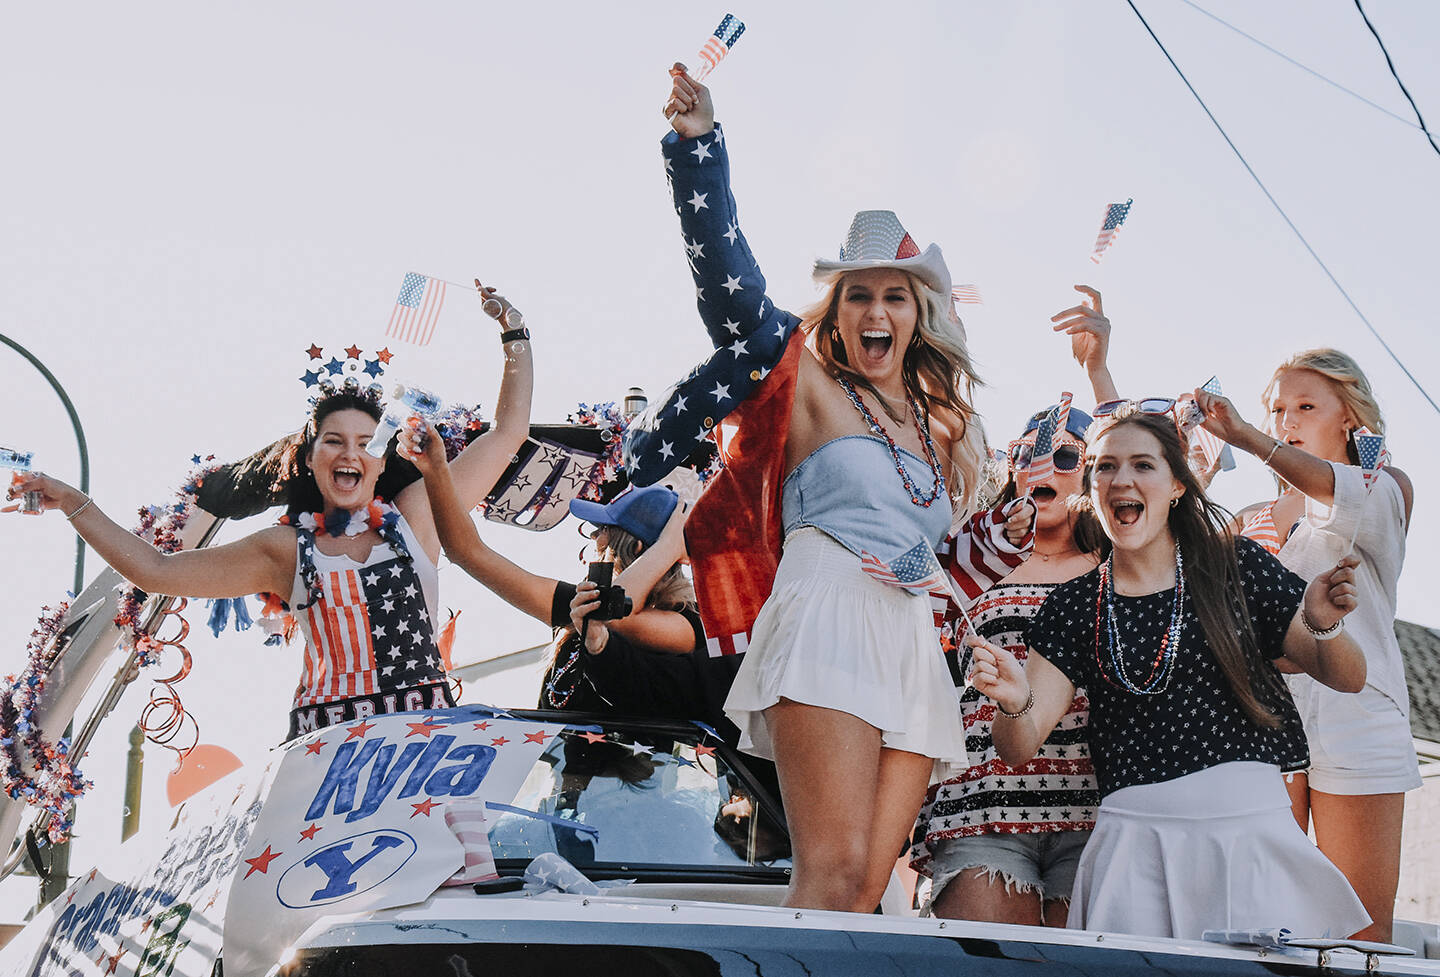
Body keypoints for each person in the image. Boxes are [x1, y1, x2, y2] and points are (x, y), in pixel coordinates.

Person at [623, 65, 1034, 914]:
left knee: (872, 887)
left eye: (894, 295)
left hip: (911, 637)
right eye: (858, 296)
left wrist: (1004, 531)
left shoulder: (940, 427)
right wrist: (699, 150)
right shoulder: (806, 380)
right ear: (838, 310)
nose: (876, 311)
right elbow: (730, 290)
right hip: (827, 614)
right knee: (832, 871)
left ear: (919, 313)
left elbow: (939, 559)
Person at [6, 282, 532, 740]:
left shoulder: (417, 517)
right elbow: (156, 570)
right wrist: (75, 504)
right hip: (328, 752)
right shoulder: (284, 550)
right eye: (333, 441)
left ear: (380, 460)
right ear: (310, 458)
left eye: (365, 443)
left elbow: (507, 433)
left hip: (425, 742)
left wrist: (515, 333)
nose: (350, 453)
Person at [968, 404, 1371, 940]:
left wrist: (1322, 625)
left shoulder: (1237, 567)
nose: (1121, 479)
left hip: (1248, 835)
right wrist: (1014, 700)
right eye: (1106, 466)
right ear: (1090, 486)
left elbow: (1348, 676)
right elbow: (1019, 743)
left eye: (1142, 465)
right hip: (1134, 851)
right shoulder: (1072, 605)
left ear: (1178, 484)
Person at [1193, 349, 1417, 942]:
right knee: (1265, 925)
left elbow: (1335, 491)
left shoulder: (1384, 486)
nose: (1285, 419)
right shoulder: (1247, 517)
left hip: (1358, 714)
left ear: (1349, 416)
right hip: (1263, 722)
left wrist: (1243, 434)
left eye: (1305, 406)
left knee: (1362, 930)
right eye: (1275, 409)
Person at [400, 423, 739, 737]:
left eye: (599, 532)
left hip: (633, 799)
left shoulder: (690, 623)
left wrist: (667, 546)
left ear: (633, 547)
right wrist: (436, 471)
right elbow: (468, 553)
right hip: (563, 800)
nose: (592, 542)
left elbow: (614, 615)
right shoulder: (582, 606)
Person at [912, 403, 1105, 926]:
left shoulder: (1118, 563)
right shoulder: (977, 555)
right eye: (1028, 455)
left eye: (1066, 457)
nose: (1045, 468)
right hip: (983, 798)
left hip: (1097, 805)